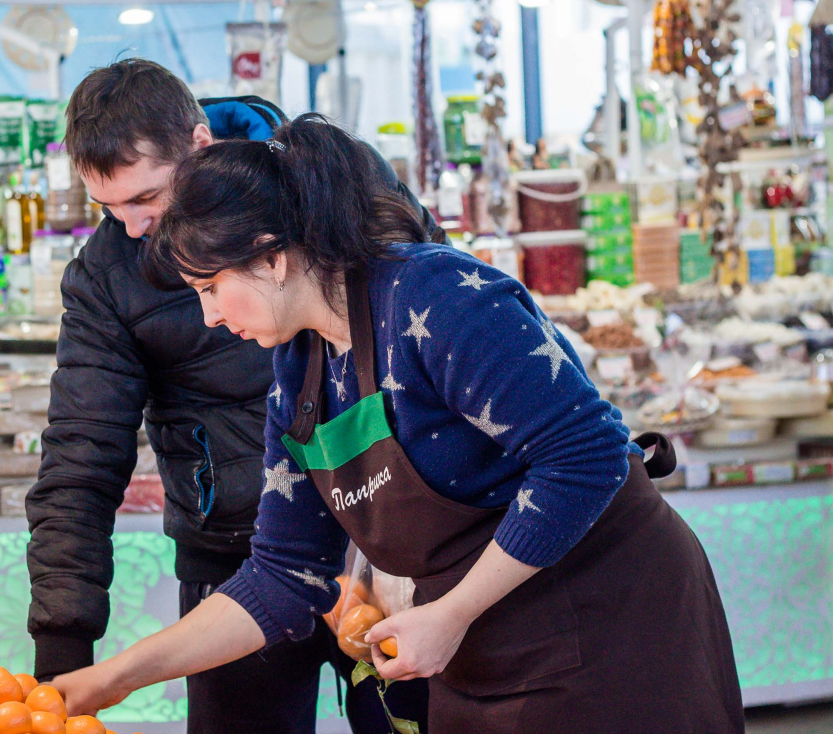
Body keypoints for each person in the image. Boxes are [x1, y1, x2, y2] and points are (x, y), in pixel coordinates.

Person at [49, 114, 745, 734]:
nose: (209, 318)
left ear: (271, 255)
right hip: (482, 645)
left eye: (210, 288)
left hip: (612, 617)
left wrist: (453, 611)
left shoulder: (437, 297)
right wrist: (115, 678)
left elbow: (584, 457)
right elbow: (284, 576)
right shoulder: (297, 372)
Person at [26, 60, 440, 733]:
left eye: (145, 199)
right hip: (238, 563)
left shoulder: (329, 180)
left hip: (384, 544)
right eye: (109, 208)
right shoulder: (106, 274)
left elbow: (429, 336)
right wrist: (62, 648)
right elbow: (81, 452)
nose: (132, 228)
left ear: (198, 143)